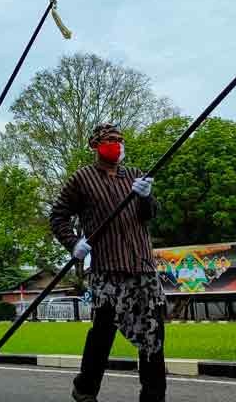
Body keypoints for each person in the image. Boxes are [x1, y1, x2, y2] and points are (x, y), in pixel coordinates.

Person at [50, 123, 165, 402]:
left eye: (120, 140)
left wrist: (147, 197)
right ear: (96, 145)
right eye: (110, 140)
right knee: (103, 333)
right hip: (107, 269)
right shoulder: (82, 179)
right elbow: (58, 216)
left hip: (143, 268)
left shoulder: (136, 175)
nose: (117, 144)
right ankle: (85, 389)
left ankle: (153, 396)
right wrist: (73, 243)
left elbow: (150, 214)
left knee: (153, 333)